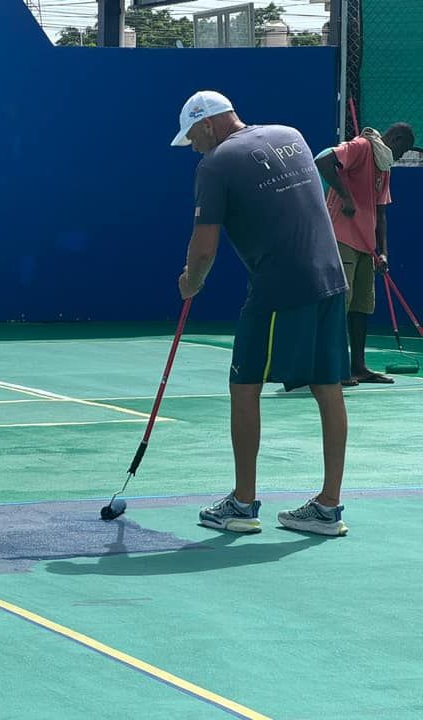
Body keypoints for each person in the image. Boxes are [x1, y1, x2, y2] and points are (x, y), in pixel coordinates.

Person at [171, 90, 350, 536]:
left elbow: (205, 245)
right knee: (328, 387)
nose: (192, 145)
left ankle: (242, 505)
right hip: (331, 278)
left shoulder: (214, 164)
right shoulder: (290, 135)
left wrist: (191, 281)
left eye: (192, 136)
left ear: (208, 124)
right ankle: (329, 507)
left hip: (278, 287)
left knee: (244, 385)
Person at [315, 123, 416, 386]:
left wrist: (383, 253)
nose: (402, 155)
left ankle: (357, 367)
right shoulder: (362, 147)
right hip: (341, 237)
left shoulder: (384, 166)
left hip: (366, 245)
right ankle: (332, 368)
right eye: (403, 149)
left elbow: (381, 212)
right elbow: (323, 159)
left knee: (361, 307)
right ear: (395, 137)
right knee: (340, 303)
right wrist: (345, 197)